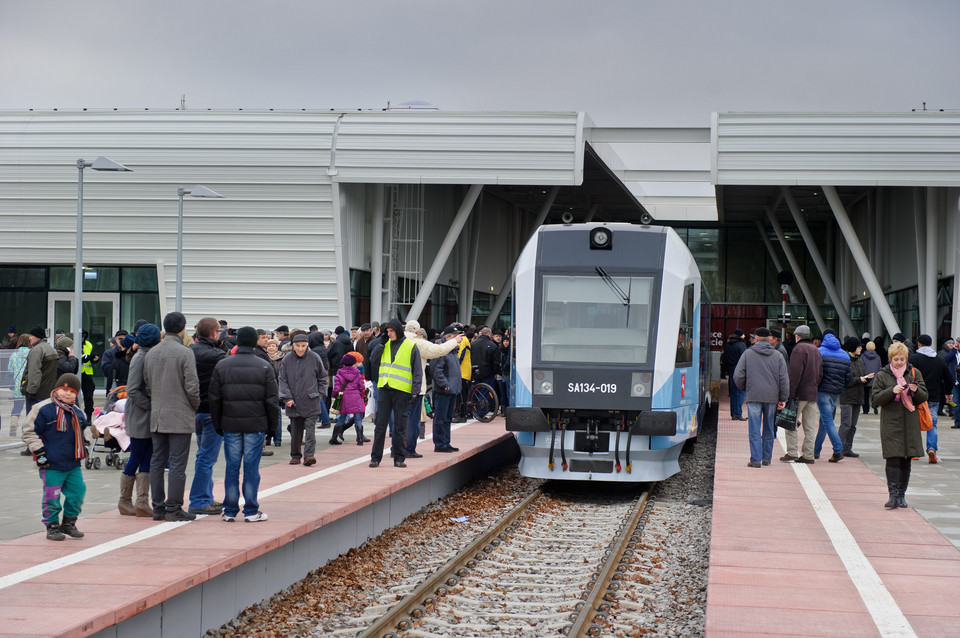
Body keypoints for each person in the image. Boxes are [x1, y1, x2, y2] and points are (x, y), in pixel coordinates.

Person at [209, 326, 278, 523]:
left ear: (237, 341)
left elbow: (214, 398)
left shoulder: (223, 365)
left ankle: (230, 509)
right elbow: (272, 400)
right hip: (255, 424)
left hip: (230, 423)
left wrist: (218, 423)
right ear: (255, 341)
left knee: (231, 467)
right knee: (251, 468)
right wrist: (272, 426)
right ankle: (250, 510)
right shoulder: (264, 366)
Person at [143, 312, 201, 522]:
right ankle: (174, 507)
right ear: (183, 328)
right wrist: (193, 406)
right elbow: (192, 386)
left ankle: (158, 506)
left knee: (157, 461)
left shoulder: (152, 353)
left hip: (158, 414)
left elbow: (148, 384)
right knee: (177, 463)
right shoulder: (185, 353)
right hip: (179, 413)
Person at [21, 373, 88, 541]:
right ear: (56, 390)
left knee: (78, 494)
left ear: (76, 394)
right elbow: (29, 432)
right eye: (63, 389)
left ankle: (69, 522)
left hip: (72, 464)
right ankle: (52, 526)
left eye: (72, 391)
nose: (67, 394)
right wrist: (40, 452)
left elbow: (80, 435)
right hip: (50, 463)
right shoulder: (43, 409)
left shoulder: (78, 413)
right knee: (52, 497)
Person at [872, 342, 927, 509]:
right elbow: (875, 398)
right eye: (896, 359)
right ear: (890, 359)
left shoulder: (914, 373)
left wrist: (916, 390)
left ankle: (902, 495)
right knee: (893, 458)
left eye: (902, 359)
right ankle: (893, 495)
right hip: (891, 423)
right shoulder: (882, 375)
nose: (899, 362)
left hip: (910, 423)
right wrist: (891, 391)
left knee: (906, 459)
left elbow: (924, 396)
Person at [187, 317, 228, 516]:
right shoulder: (218, 355)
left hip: (195, 409)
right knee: (206, 457)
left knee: (203, 455)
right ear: (213, 333)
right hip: (212, 410)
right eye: (219, 331)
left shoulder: (190, 351)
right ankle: (199, 499)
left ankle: (206, 496)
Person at [401, 320, 460, 457]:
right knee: (413, 421)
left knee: (400, 420)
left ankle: (398, 448)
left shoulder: (397, 342)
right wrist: (445, 385)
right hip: (416, 388)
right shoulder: (417, 343)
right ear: (417, 332)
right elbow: (438, 352)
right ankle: (409, 448)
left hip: (398, 387)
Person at [368, 318, 422, 468]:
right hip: (385, 389)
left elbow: (417, 371)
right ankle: (375, 458)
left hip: (402, 391)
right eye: (387, 331)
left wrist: (415, 391)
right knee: (380, 425)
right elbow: (373, 360)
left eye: (391, 331)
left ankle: (399, 458)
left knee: (399, 426)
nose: (389, 334)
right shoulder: (384, 344)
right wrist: (381, 343)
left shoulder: (411, 346)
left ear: (398, 330)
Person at [120, 323, 161, 517]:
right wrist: (151, 405)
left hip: (145, 414)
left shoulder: (146, 355)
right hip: (139, 414)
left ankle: (141, 501)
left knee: (147, 456)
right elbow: (133, 390)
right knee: (137, 455)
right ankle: (125, 500)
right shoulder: (141, 358)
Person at [733, 327, 789, 467]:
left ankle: (756, 460)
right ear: (769, 338)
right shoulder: (778, 356)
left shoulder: (748, 354)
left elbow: (738, 376)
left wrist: (746, 388)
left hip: (754, 396)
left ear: (756, 338)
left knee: (754, 428)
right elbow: (784, 379)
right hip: (771, 397)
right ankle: (766, 458)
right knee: (769, 427)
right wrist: (783, 398)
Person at [278, 333, 327, 466]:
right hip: (293, 401)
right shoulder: (287, 359)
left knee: (310, 430)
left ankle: (309, 455)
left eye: (303, 346)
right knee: (295, 430)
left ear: (307, 346)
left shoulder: (314, 357)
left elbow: (323, 377)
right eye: (297, 346)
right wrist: (286, 397)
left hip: (312, 399)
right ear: (292, 346)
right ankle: (295, 455)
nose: (300, 349)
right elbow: (282, 380)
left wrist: (320, 393)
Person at [908, 334, 953, 463]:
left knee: (914, 423)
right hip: (933, 396)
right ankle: (932, 449)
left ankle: (914, 451)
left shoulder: (914, 359)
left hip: (916, 396)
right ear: (931, 344)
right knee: (932, 424)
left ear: (919, 344)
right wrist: (948, 392)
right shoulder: (939, 360)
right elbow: (948, 379)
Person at [781, 325, 822, 463]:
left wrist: (790, 393)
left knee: (790, 422)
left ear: (797, 336)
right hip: (813, 393)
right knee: (810, 427)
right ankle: (808, 455)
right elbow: (821, 373)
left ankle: (792, 452)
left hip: (799, 394)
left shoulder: (798, 349)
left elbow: (795, 374)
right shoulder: (816, 350)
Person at [813, 332, 851, 463]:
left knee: (827, 421)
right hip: (836, 392)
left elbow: (816, 372)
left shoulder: (819, 352)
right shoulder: (845, 355)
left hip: (823, 390)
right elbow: (848, 377)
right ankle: (816, 451)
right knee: (824, 421)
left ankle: (838, 449)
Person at [432, 325, 463, 452]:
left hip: (452, 390)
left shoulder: (453, 351)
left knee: (447, 418)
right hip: (444, 390)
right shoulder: (441, 351)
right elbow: (436, 371)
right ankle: (440, 444)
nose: (458, 339)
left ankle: (446, 442)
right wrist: (445, 385)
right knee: (440, 418)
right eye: (455, 336)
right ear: (448, 338)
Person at [838, 337, 870, 458]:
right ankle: (839, 448)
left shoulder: (860, 361)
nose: (861, 348)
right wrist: (859, 379)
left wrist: (867, 378)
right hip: (847, 397)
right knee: (845, 424)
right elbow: (845, 380)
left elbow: (860, 376)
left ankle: (847, 448)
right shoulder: (846, 360)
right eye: (858, 346)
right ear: (852, 347)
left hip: (858, 397)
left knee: (853, 425)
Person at [330, 353, 367, 445]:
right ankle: (360, 439)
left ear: (343, 364)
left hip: (344, 399)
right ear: (354, 364)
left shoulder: (339, 374)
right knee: (358, 418)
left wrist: (334, 396)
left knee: (342, 418)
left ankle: (334, 438)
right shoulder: (357, 374)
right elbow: (362, 387)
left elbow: (337, 389)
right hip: (356, 398)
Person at [23, 327, 59, 416]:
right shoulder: (51, 348)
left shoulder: (37, 350)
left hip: (37, 394)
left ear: (38, 337)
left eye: (32, 336)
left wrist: (31, 391)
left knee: (32, 420)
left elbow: (34, 372)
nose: (29, 338)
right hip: (48, 392)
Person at [720, 330, 747, 421]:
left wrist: (725, 371)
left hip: (731, 371)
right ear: (740, 335)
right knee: (741, 392)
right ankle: (739, 414)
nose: (744, 335)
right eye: (743, 334)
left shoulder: (728, 345)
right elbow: (745, 359)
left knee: (733, 393)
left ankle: (734, 414)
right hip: (740, 372)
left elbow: (725, 358)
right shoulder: (741, 345)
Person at [7, 334, 30, 436]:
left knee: (17, 407)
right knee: (30, 408)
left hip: (17, 386)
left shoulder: (14, 355)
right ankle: (26, 428)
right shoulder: (32, 353)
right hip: (29, 384)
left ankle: (13, 424)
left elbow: (10, 370)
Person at [78, 330, 99, 426]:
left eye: (83, 337)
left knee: (88, 396)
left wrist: (95, 359)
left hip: (87, 374)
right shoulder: (74, 344)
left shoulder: (89, 344)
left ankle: (89, 417)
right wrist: (90, 357)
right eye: (81, 336)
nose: (82, 338)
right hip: (76, 373)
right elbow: (81, 357)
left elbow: (91, 356)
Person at [861, 341, 882, 415]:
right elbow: (880, 368)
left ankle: (865, 409)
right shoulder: (877, 357)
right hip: (875, 378)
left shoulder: (863, 356)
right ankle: (875, 404)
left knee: (865, 395)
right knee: (875, 393)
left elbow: (861, 367)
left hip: (866, 378)